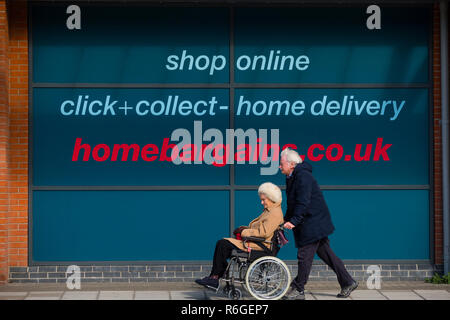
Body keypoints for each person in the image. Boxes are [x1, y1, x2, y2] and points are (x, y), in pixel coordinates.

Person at [279, 148, 358, 299]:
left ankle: (298, 288)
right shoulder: (292, 177)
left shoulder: (303, 176)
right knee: (327, 254)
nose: (279, 166)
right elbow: (292, 203)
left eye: (281, 163)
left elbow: (303, 202)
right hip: (311, 221)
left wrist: (294, 221)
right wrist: (286, 219)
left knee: (304, 256)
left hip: (313, 222)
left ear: (292, 164)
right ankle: (348, 281)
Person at [195, 182, 284, 290]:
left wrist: (243, 232)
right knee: (223, 245)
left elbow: (263, 233)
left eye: (263, 199)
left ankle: (215, 277)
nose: (261, 202)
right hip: (257, 243)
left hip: (261, 246)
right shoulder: (270, 210)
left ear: (271, 198)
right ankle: (215, 277)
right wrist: (245, 229)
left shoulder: (274, 213)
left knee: (222, 244)